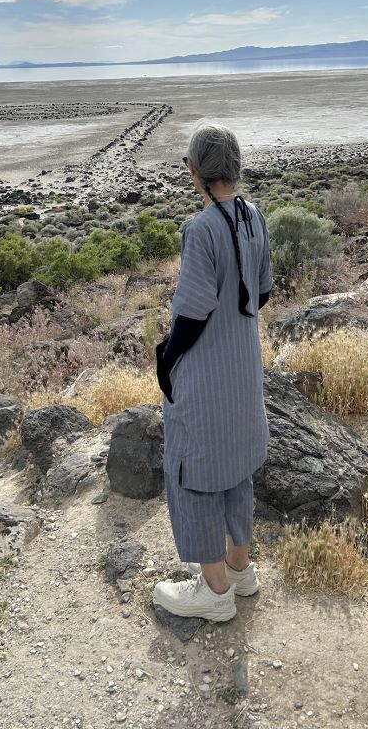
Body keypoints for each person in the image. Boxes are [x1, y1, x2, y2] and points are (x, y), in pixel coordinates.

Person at [153, 122, 273, 621]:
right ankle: (241, 572)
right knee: (237, 464)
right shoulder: (254, 217)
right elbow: (262, 292)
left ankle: (215, 592)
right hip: (244, 366)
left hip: (206, 372)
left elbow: (194, 311)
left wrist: (166, 356)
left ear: (193, 172)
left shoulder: (200, 230)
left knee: (195, 470)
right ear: (237, 168)